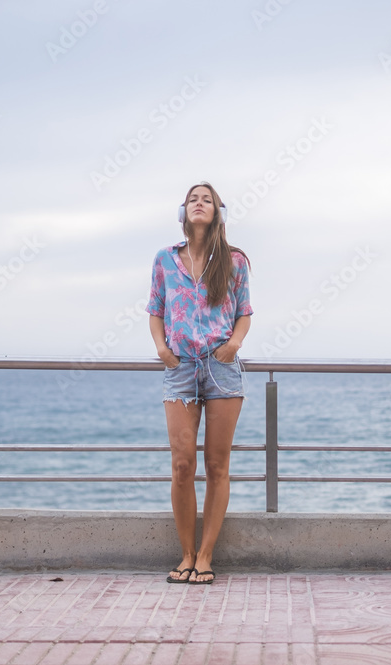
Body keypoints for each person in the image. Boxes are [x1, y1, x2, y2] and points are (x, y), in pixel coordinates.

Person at [146, 182, 253, 585]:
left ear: (218, 211)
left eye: (207, 199)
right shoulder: (164, 259)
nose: (199, 203)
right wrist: (162, 349)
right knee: (182, 464)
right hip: (180, 368)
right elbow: (155, 310)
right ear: (183, 210)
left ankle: (206, 556)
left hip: (221, 368)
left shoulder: (234, 260)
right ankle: (186, 553)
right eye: (193, 198)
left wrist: (234, 344)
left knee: (217, 465)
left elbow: (244, 312)